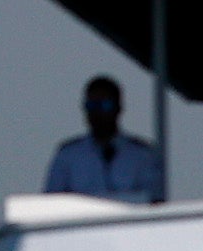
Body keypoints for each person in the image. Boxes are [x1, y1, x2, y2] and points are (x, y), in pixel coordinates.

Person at [41, 75, 166, 204]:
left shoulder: (142, 156)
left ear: (118, 108)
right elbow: (51, 203)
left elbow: (154, 202)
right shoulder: (68, 155)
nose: (97, 112)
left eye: (105, 105)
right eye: (91, 106)